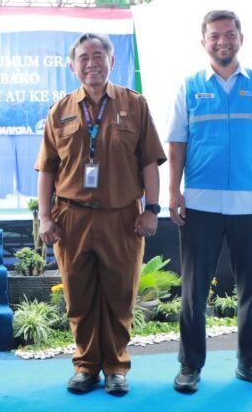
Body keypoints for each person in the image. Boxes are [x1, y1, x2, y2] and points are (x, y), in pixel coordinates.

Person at [35, 33, 165, 397]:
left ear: (112, 61)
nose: (91, 63)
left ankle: (116, 367)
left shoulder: (134, 105)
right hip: (72, 218)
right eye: (83, 57)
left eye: (98, 56)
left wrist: (152, 210)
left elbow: (150, 162)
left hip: (122, 217)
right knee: (79, 296)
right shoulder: (59, 111)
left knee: (120, 295)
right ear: (72, 65)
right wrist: (45, 217)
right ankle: (86, 365)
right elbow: (46, 170)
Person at [168, 10, 252, 394]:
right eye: (215, 35)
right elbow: (177, 143)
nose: (223, 41)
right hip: (200, 203)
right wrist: (173, 191)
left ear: (241, 38)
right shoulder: (188, 88)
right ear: (203, 41)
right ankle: (189, 366)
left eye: (230, 34)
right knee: (194, 290)